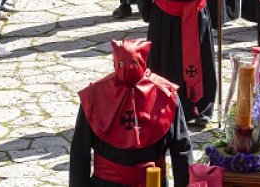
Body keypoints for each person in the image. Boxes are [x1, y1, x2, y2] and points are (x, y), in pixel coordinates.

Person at [70, 39, 192, 187]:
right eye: (122, 64)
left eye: (133, 63)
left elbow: (181, 148)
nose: (127, 69)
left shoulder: (166, 95)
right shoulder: (167, 94)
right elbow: (79, 153)